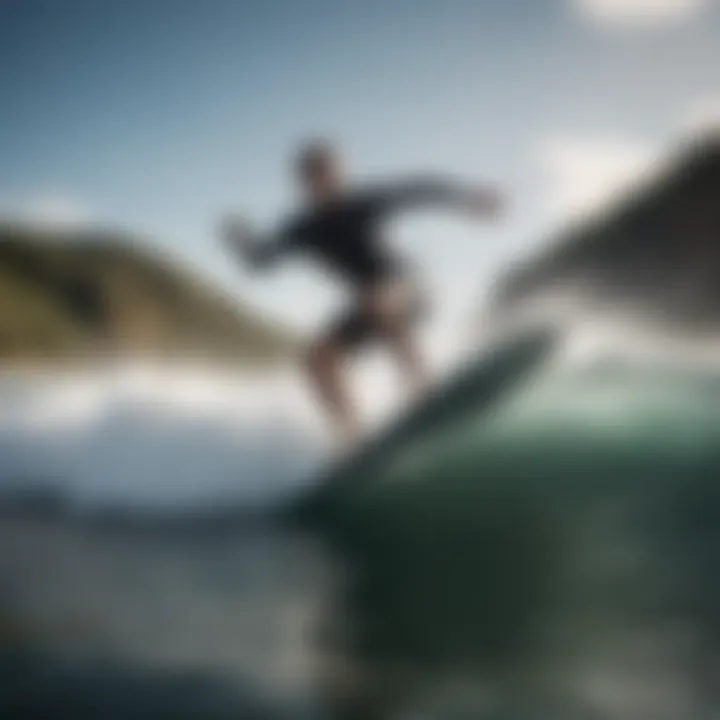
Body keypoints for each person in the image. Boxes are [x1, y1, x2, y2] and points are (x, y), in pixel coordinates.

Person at [223, 140, 504, 446]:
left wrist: (469, 199)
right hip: (368, 305)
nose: (324, 182)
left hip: (409, 288)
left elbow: (421, 190)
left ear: (340, 174)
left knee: (379, 298)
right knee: (317, 360)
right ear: (304, 183)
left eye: (330, 174)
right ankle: (353, 438)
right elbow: (263, 263)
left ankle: (424, 393)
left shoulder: (362, 204)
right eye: (315, 176)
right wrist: (243, 246)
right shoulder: (302, 228)